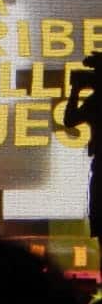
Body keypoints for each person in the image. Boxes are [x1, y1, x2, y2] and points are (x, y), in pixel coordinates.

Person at [63, 51, 102, 239]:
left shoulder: (96, 101)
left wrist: (75, 91)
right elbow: (70, 121)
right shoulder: (95, 100)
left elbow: (70, 120)